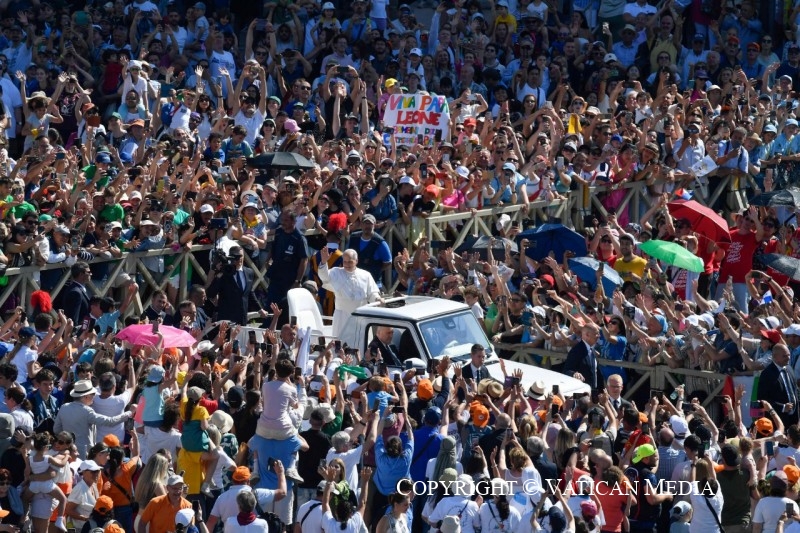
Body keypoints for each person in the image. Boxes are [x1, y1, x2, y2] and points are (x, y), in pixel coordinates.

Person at [53, 380, 133, 459]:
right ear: (86, 396)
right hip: (83, 454)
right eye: (93, 394)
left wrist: (67, 441)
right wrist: (130, 412)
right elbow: (110, 421)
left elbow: (56, 429)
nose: (94, 397)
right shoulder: (87, 411)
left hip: (66, 452)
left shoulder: (64, 407)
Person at [318, 247, 382, 338]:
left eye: (350, 262)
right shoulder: (336, 272)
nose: (347, 265)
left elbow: (372, 293)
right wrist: (324, 262)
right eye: (345, 262)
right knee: (341, 342)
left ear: (356, 261)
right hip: (342, 317)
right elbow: (324, 277)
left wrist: (377, 299)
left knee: (361, 341)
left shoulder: (366, 275)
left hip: (360, 317)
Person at [206, 464, 287, 532]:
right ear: (248, 481)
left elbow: (211, 522)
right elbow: (282, 493)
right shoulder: (257, 494)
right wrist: (280, 473)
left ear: (233, 481)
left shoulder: (221, 498)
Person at [207, 245, 269, 325]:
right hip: (226, 319)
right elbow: (210, 293)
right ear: (230, 257)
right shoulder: (224, 273)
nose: (239, 259)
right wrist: (219, 274)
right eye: (236, 256)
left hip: (242, 319)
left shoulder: (249, 272)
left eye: (241, 256)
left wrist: (260, 309)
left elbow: (249, 293)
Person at [757, 343, 800, 428]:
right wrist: (782, 407)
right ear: (775, 357)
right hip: (779, 420)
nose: (788, 358)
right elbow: (762, 399)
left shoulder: (789, 369)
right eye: (784, 356)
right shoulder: (767, 374)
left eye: (789, 355)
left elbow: (795, 390)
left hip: (794, 419)